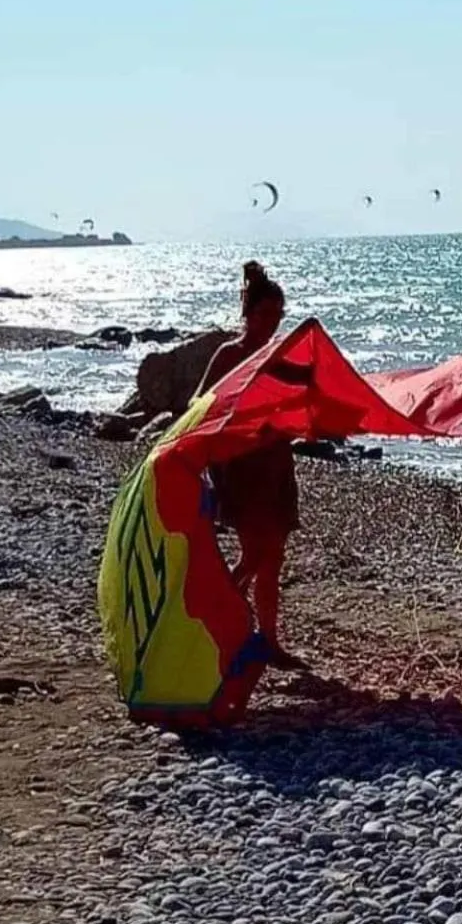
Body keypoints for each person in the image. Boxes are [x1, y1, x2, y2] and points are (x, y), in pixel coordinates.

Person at [195, 262, 299, 656]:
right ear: (248, 313)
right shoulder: (230, 355)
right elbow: (200, 405)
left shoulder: (280, 356)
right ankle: (218, 618)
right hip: (240, 469)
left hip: (276, 467)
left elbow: (296, 405)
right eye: (264, 314)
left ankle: (269, 642)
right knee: (256, 554)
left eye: (277, 315)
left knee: (273, 559)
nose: (271, 322)